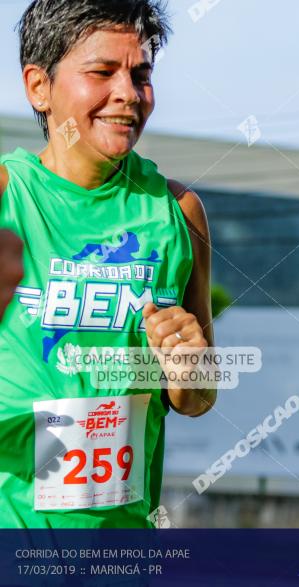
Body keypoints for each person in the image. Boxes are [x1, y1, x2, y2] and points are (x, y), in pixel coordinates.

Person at [0, 0, 215, 528]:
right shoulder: (7, 197)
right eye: (101, 72)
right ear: (38, 88)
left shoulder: (178, 212)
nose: (127, 94)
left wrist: (190, 366)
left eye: (141, 74)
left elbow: (197, 398)